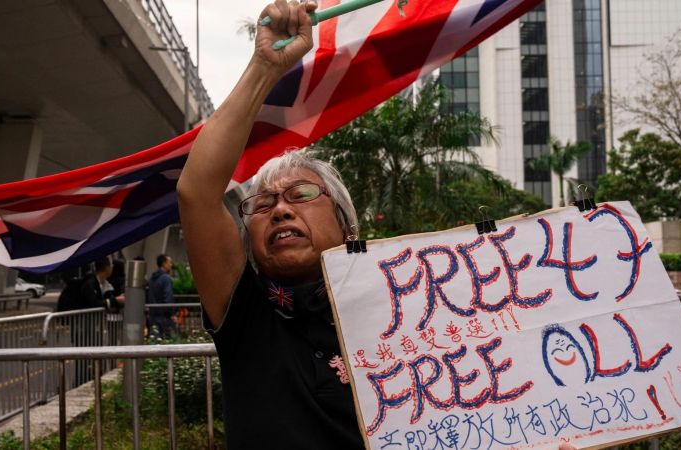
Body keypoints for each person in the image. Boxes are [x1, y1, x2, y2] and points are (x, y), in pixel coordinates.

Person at [177, 2, 579, 449]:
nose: (281, 210)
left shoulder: (408, 312)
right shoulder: (247, 318)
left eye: (302, 195)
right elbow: (197, 193)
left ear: (348, 228)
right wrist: (264, 67)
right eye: (264, 203)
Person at [147, 254, 177, 339]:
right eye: (169, 262)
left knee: (155, 341)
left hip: (153, 315)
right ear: (164, 263)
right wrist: (171, 314)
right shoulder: (166, 278)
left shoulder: (152, 278)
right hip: (164, 316)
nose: (171, 264)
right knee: (169, 340)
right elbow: (168, 297)